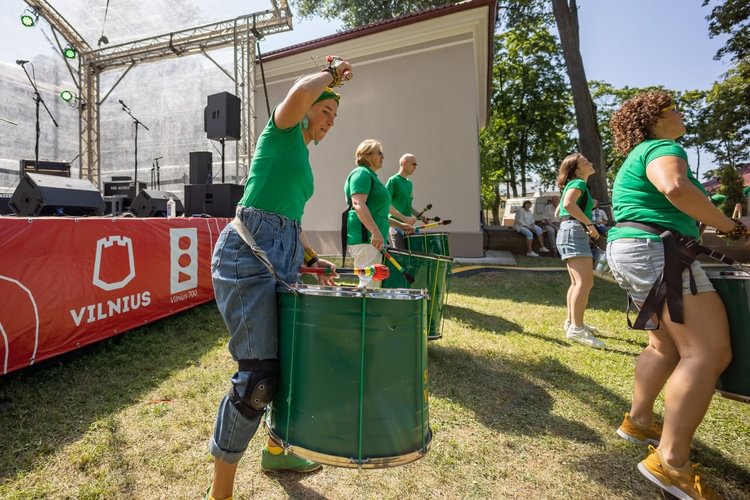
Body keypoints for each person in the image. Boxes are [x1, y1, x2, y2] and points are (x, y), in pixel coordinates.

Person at [207, 57, 353, 500]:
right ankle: (221, 493)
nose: (330, 121)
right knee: (258, 380)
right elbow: (297, 94)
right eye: (326, 111)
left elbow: (288, 217)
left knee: (290, 363)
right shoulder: (282, 129)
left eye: (335, 117)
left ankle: (278, 450)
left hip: (281, 256)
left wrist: (312, 259)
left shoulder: (301, 159)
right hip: (245, 259)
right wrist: (332, 73)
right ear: (309, 107)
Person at [608, 90, 743, 499]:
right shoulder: (662, 147)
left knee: (663, 345)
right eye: (673, 108)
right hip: (657, 251)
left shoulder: (639, 153)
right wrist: (732, 227)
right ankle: (671, 462)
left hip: (633, 248)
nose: (681, 113)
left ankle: (639, 420)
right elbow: (676, 188)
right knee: (707, 352)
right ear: (656, 118)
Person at [344, 140, 413, 287]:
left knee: (373, 287)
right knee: (369, 287)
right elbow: (358, 204)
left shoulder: (371, 176)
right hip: (366, 240)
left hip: (373, 242)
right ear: (367, 156)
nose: (383, 157)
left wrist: (401, 225)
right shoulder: (361, 173)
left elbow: (378, 214)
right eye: (379, 153)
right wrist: (375, 232)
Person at [555, 153, 606, 348]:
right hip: (575, 231)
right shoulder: (579, 184)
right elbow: (567, 205)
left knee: (576, 283)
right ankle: (577, 328)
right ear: (576, 170)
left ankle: (572, 323)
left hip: (569, 231)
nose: (591, 162)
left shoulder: (574, 186)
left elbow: (559, 211)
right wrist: (589, 223)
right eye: (585, 162)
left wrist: (586, 205)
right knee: (584, 283)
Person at [385, 153, 419, 249]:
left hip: (408, 227)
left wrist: (421, 216)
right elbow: (385, 204)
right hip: (396, 226)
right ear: (404, 163)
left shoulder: (409, 183)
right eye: (413, 164)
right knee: (401, 255)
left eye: (416, 165)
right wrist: (404, 218)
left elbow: (409, 207)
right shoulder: (393, 181)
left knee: (413, 256)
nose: (415, 167)